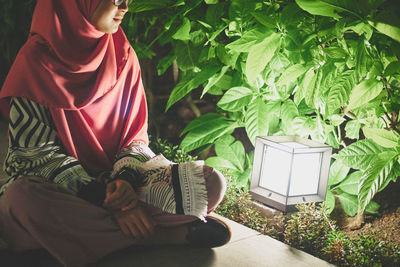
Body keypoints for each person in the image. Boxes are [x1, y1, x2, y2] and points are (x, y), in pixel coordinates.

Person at [0, 0, 230, 266]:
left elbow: (134, 138)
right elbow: (36, 154)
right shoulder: (35, 60)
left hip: (125, 182)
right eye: (115, 0)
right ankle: (159, 236)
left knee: (211, 182)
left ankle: (86, 236)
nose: (125, 8)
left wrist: (124, 183)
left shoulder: (121, 53)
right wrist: (107, 198)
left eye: (127, 0)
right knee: (22, 201)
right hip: (66, 191)